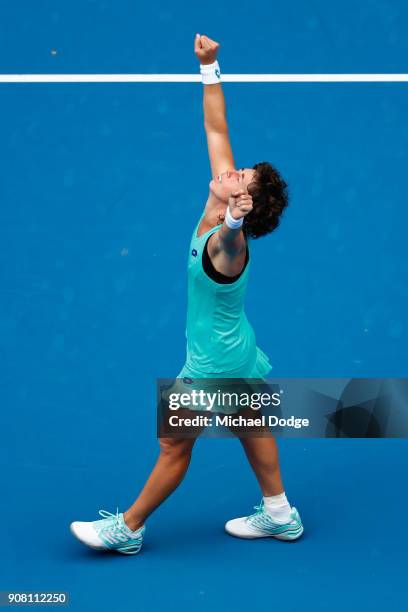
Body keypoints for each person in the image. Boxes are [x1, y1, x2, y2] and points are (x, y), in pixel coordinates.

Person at [70, 34, 303, 555]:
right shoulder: (219, 190)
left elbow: (227, 239)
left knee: (173, 443)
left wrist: (237, 218)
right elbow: (216, 126)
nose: (232, 169)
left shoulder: (228, 243)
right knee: (248, 422)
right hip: (236, 346)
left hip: (212, 361)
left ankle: (127, 529)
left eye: (242, 177)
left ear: (241, 202)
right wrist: (210, 65)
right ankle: (280, 513)